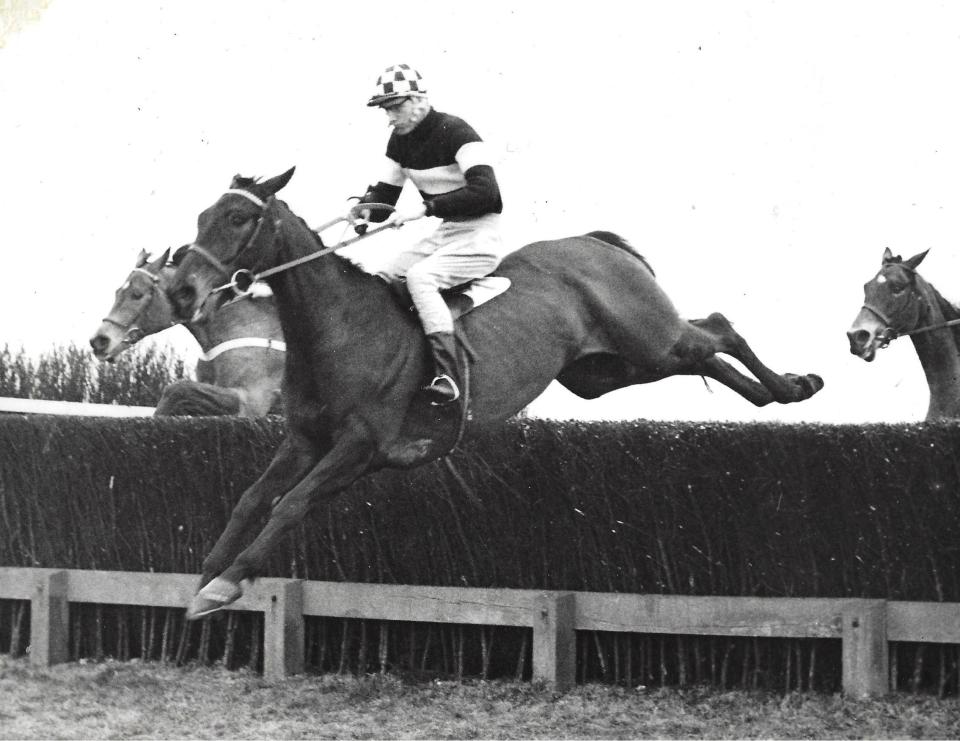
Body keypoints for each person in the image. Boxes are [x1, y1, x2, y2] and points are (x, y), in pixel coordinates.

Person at [354, 63, 506, 405]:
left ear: (418, 100)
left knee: (420, 278)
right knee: (383, 275)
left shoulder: (457, 132)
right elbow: (385, 195)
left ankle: (446, 376)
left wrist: (428, 208)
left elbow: (488, 194)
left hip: (481, 235)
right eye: (386, 110)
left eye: (394, 108)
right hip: (447, 233)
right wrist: (363, 208)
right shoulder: (399, 141)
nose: (390, 118)